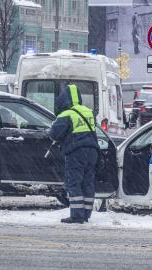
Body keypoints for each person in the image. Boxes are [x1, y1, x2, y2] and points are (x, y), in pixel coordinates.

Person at [49, 84, 99, 224]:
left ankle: (77, 215)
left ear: (64, 99)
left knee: (74, 183)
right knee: (88, 183)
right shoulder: (89, 111)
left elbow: (54, 134)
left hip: (77, 152)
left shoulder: (67, 114)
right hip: (93, 151)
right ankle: (86, 214)